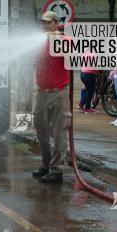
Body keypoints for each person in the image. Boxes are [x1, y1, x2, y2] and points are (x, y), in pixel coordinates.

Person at [33, 11, 71, 184]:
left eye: (49, 23)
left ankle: (56, 170)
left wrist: (59, 37)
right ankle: (46, 165)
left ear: (57, 23)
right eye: (43, 23)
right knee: (41, 131)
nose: (46, 26)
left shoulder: (63, 39)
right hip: (42, 92)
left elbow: (75, 49)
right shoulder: (39, 42)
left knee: (59, 132)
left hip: (59, 93)